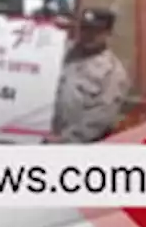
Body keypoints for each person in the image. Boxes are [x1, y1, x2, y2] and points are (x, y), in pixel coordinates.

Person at [51, 7, 130, 143]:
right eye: (85, 29)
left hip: (76, 146)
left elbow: (99, 119)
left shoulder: (113, 72)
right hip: (43, 137)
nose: (89, 34)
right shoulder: (64, 53)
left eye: (96, 31)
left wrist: (64, 140)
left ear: (108, 33)